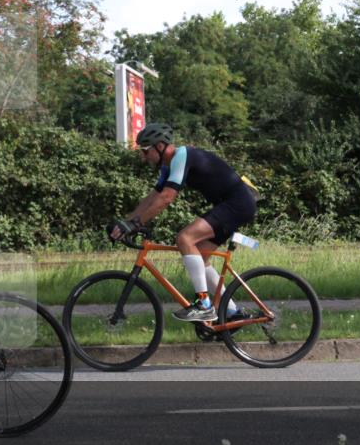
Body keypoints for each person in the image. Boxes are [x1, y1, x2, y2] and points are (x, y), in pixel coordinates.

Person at [109, 123, 257, 323]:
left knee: (185, 238)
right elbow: (154, 196)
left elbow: (167, 198)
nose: (144, 157)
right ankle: (231, 313)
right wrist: (126, 222)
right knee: (201, 255)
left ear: (160, 146)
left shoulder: (182, 156)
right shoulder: (167, 166)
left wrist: (135, 224)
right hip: (231, 205)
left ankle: (203, 304)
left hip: (236, 204)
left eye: (145, 151)